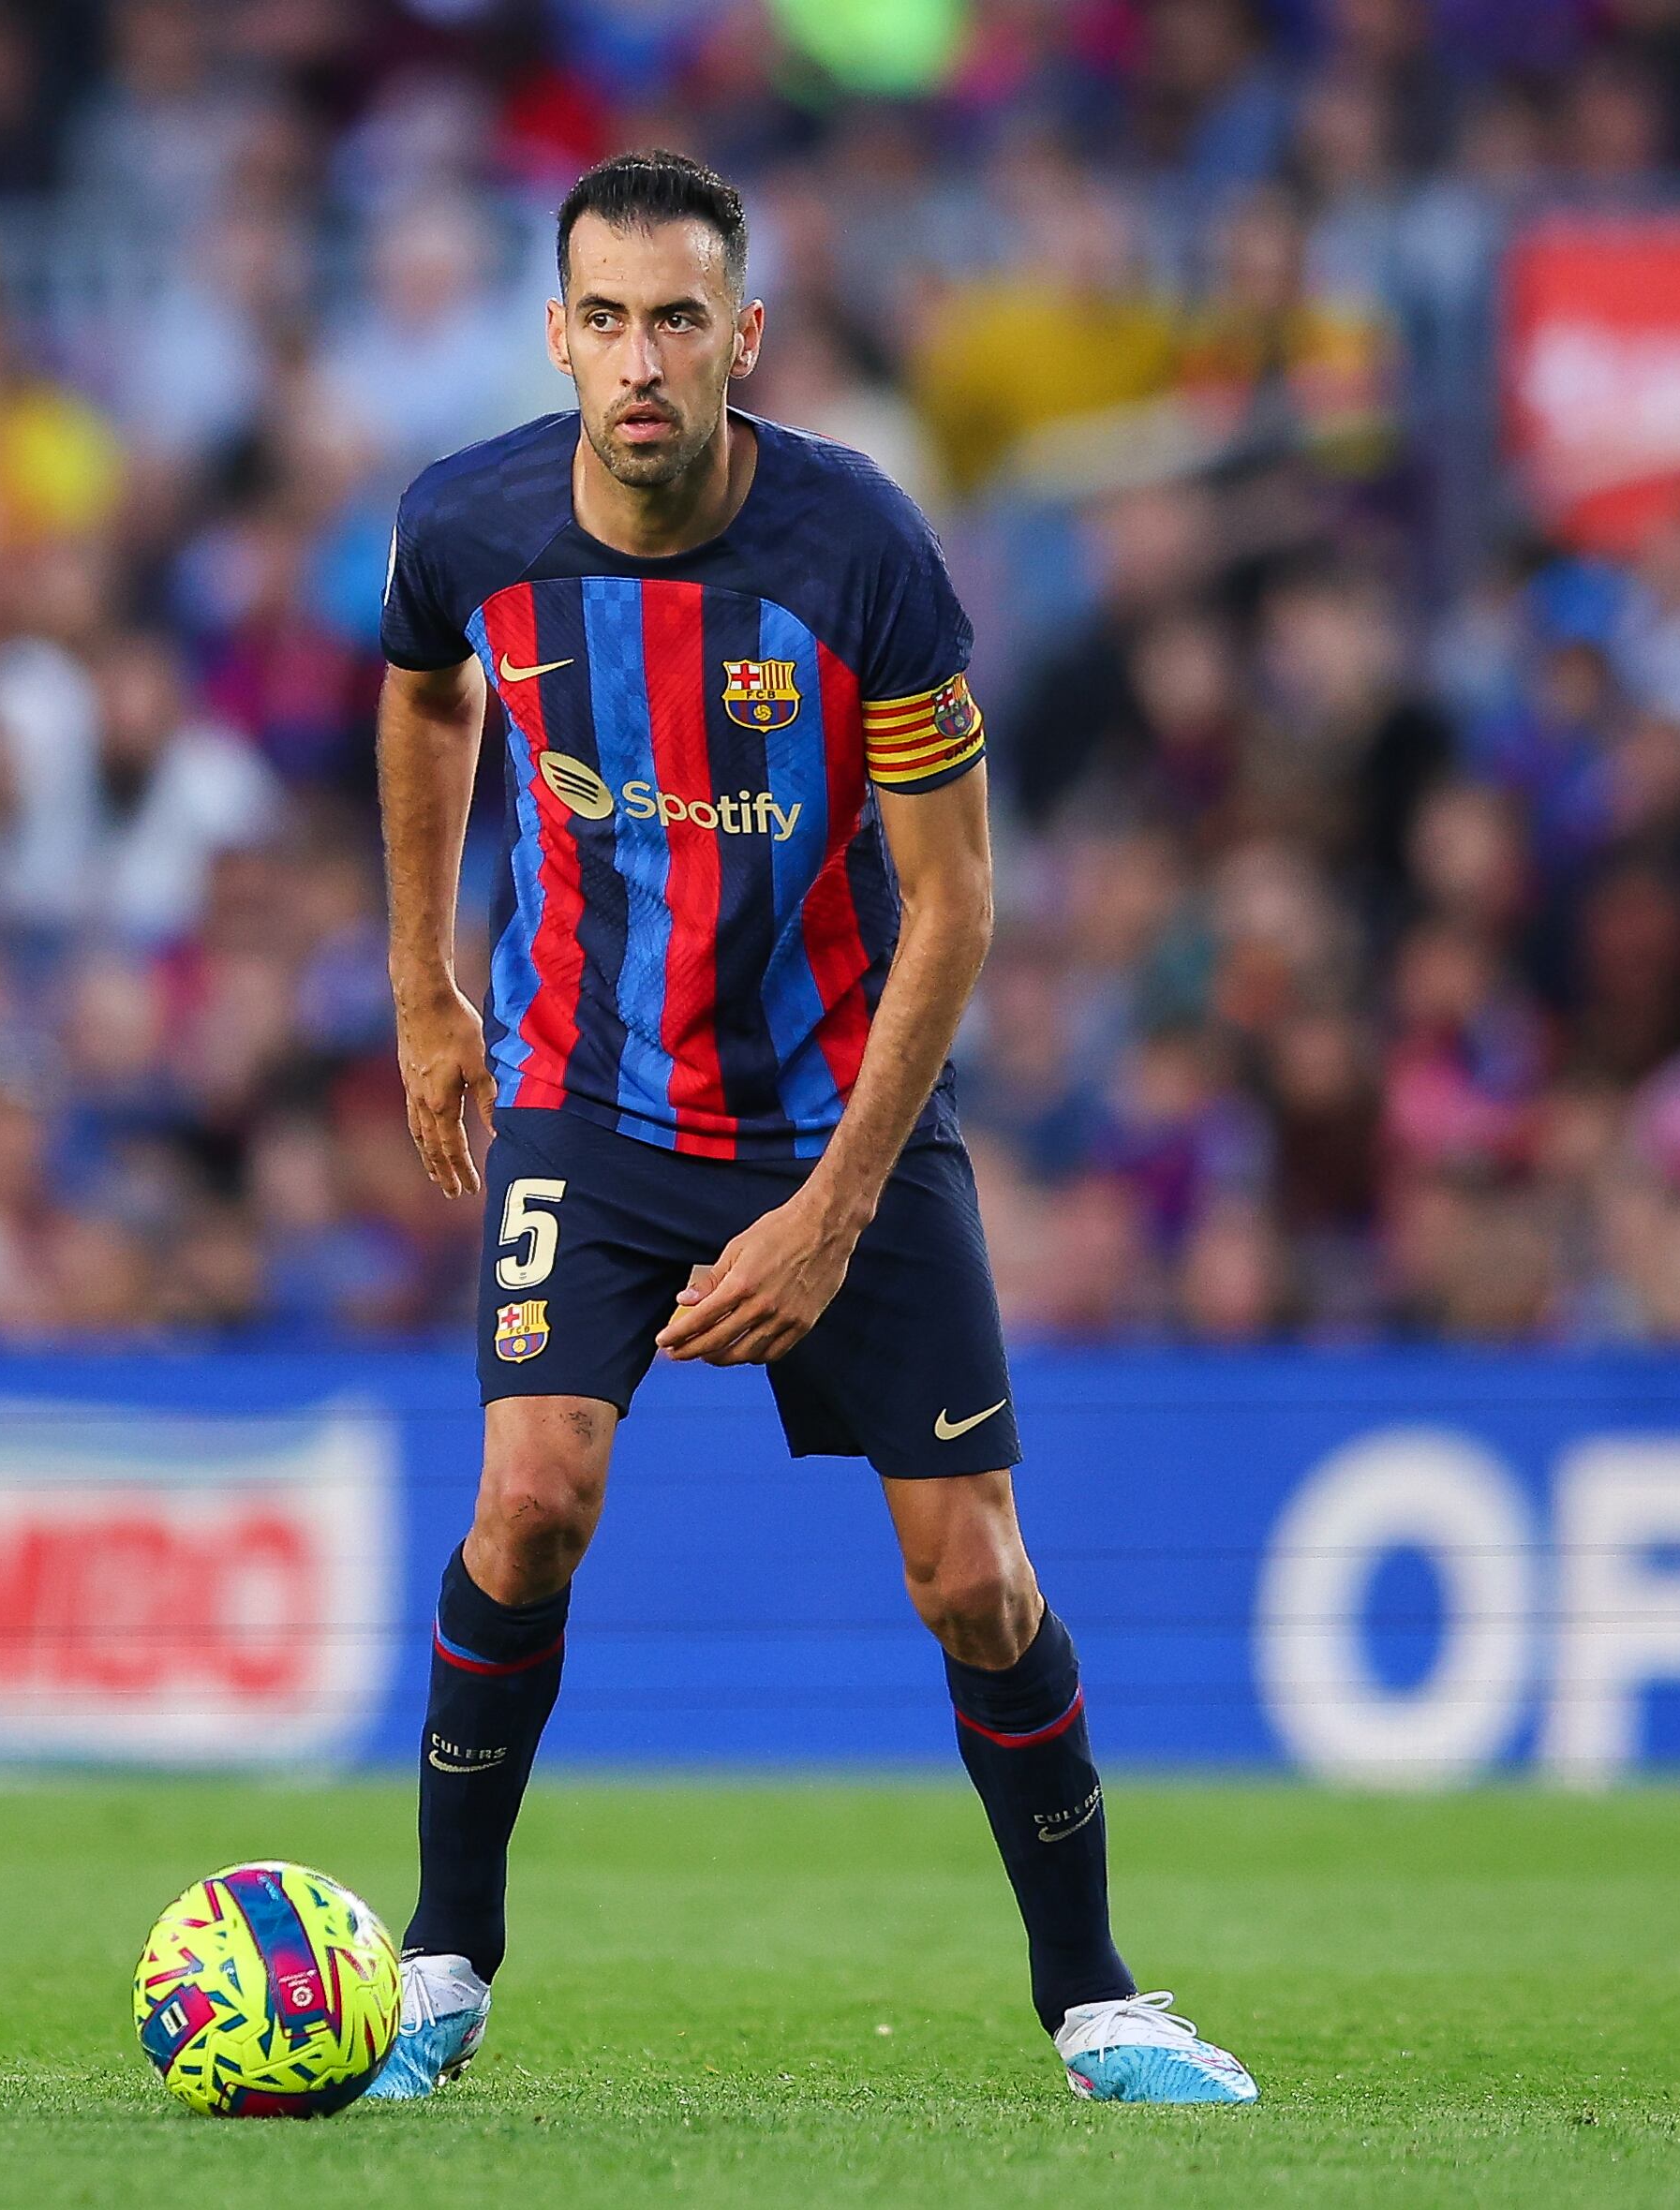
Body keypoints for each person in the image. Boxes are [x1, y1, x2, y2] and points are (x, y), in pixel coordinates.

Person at [367, 149, 1258, 2108]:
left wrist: (837, 1211)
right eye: (603, 320)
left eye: (679, 320)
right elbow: (423, 695)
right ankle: (442, 1964)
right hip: (588, 1094)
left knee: (977, 1578)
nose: (640, 363)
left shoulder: (864, 551)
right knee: (530, 1502)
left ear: (743, 339)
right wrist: (429, 984)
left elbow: (958, 903)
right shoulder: (468, 520)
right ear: (556, 336)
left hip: (838, 1110)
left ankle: (1097, 1994)